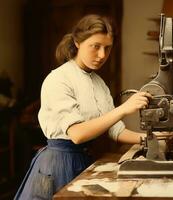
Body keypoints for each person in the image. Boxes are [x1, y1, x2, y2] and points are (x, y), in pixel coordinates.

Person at [14, 14, 151, 200]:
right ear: (78, 43)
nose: (102, 55)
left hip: (84, 160)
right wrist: (124, 108)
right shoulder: (59, 79)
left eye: (107, 48)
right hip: (58, 164)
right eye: (95, 47)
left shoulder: (99, 83)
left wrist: (151, 138)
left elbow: (115, 130)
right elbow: (77, 134)